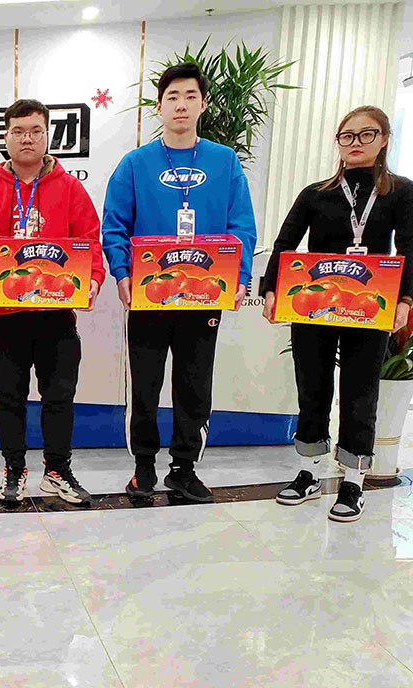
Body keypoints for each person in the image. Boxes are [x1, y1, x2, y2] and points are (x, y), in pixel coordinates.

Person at [102, 62, 257, 503]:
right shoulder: (135, 164)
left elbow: (241, 225)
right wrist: (122, 273)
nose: (181, 105)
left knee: (194, 384)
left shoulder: (224, 161)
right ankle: (143, 467)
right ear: (159, 107)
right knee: (145, 385)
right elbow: (114, 225)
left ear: (203, 104)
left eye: (190, 96)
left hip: (204, 296)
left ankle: (184, 468)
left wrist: (239, 276)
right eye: (172, 97)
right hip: (149, 296)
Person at [262, 105, 413, 522]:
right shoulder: (316, 193)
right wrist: (272, 289)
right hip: (315, 303)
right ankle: (309, 472)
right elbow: (286, 242)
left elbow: (410, 247)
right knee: (312, 387)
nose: (355, 143)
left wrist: (405, 300)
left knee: (360, 391)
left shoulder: (400, 191)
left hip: (369, 305)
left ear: (384, 139)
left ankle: (354, 481)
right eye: (347, 136)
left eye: (366, 134)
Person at [0, 98, 104, 505]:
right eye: (19, 132)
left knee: (59, 395)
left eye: (36, 131)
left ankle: (57, 470)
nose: (27, 139)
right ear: (6, 137)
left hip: (56, 314)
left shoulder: (71, 188)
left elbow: (89, 241)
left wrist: (94, 280)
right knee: (9, 396)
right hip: (6, 315)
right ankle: (14, 468)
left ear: (47, 136)